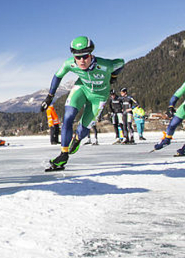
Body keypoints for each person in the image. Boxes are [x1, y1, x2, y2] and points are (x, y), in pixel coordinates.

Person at [40, 37, 124, 171]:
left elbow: (121, 63)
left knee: (82, 130)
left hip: (99, 97)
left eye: (85, 56)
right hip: (82, 89)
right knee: (68, 118)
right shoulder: (70, 64)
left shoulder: (105, 65)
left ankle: (78, 139)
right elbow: (58, 76)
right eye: (78, 57)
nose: (82, 61)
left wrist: (113, 77)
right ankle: (63, 155)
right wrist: (50, 96)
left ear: (91, 54)